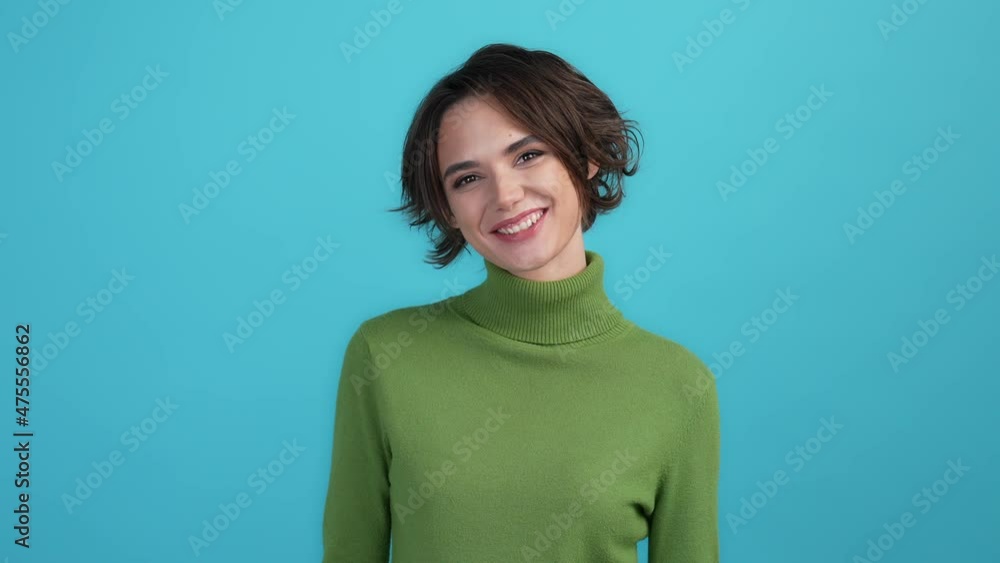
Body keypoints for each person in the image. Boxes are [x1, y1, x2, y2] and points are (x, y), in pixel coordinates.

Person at [322, 43, 720, 562]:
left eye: (528, 155)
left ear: (587, 156)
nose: (505, 195)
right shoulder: (386, 354)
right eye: (467, 178)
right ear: (447, 208)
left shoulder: (677, 386)